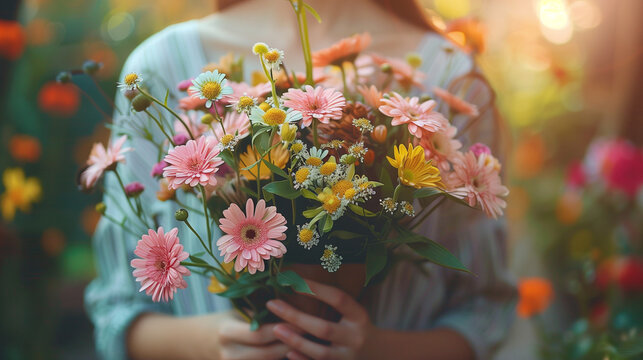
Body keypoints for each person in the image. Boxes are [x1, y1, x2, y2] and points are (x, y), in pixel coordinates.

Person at [85, 0, 516, 359]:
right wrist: (209, 343)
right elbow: (116, 312)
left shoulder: (448, 74)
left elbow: (484, 312)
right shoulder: (160, 67)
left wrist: (378, 350)